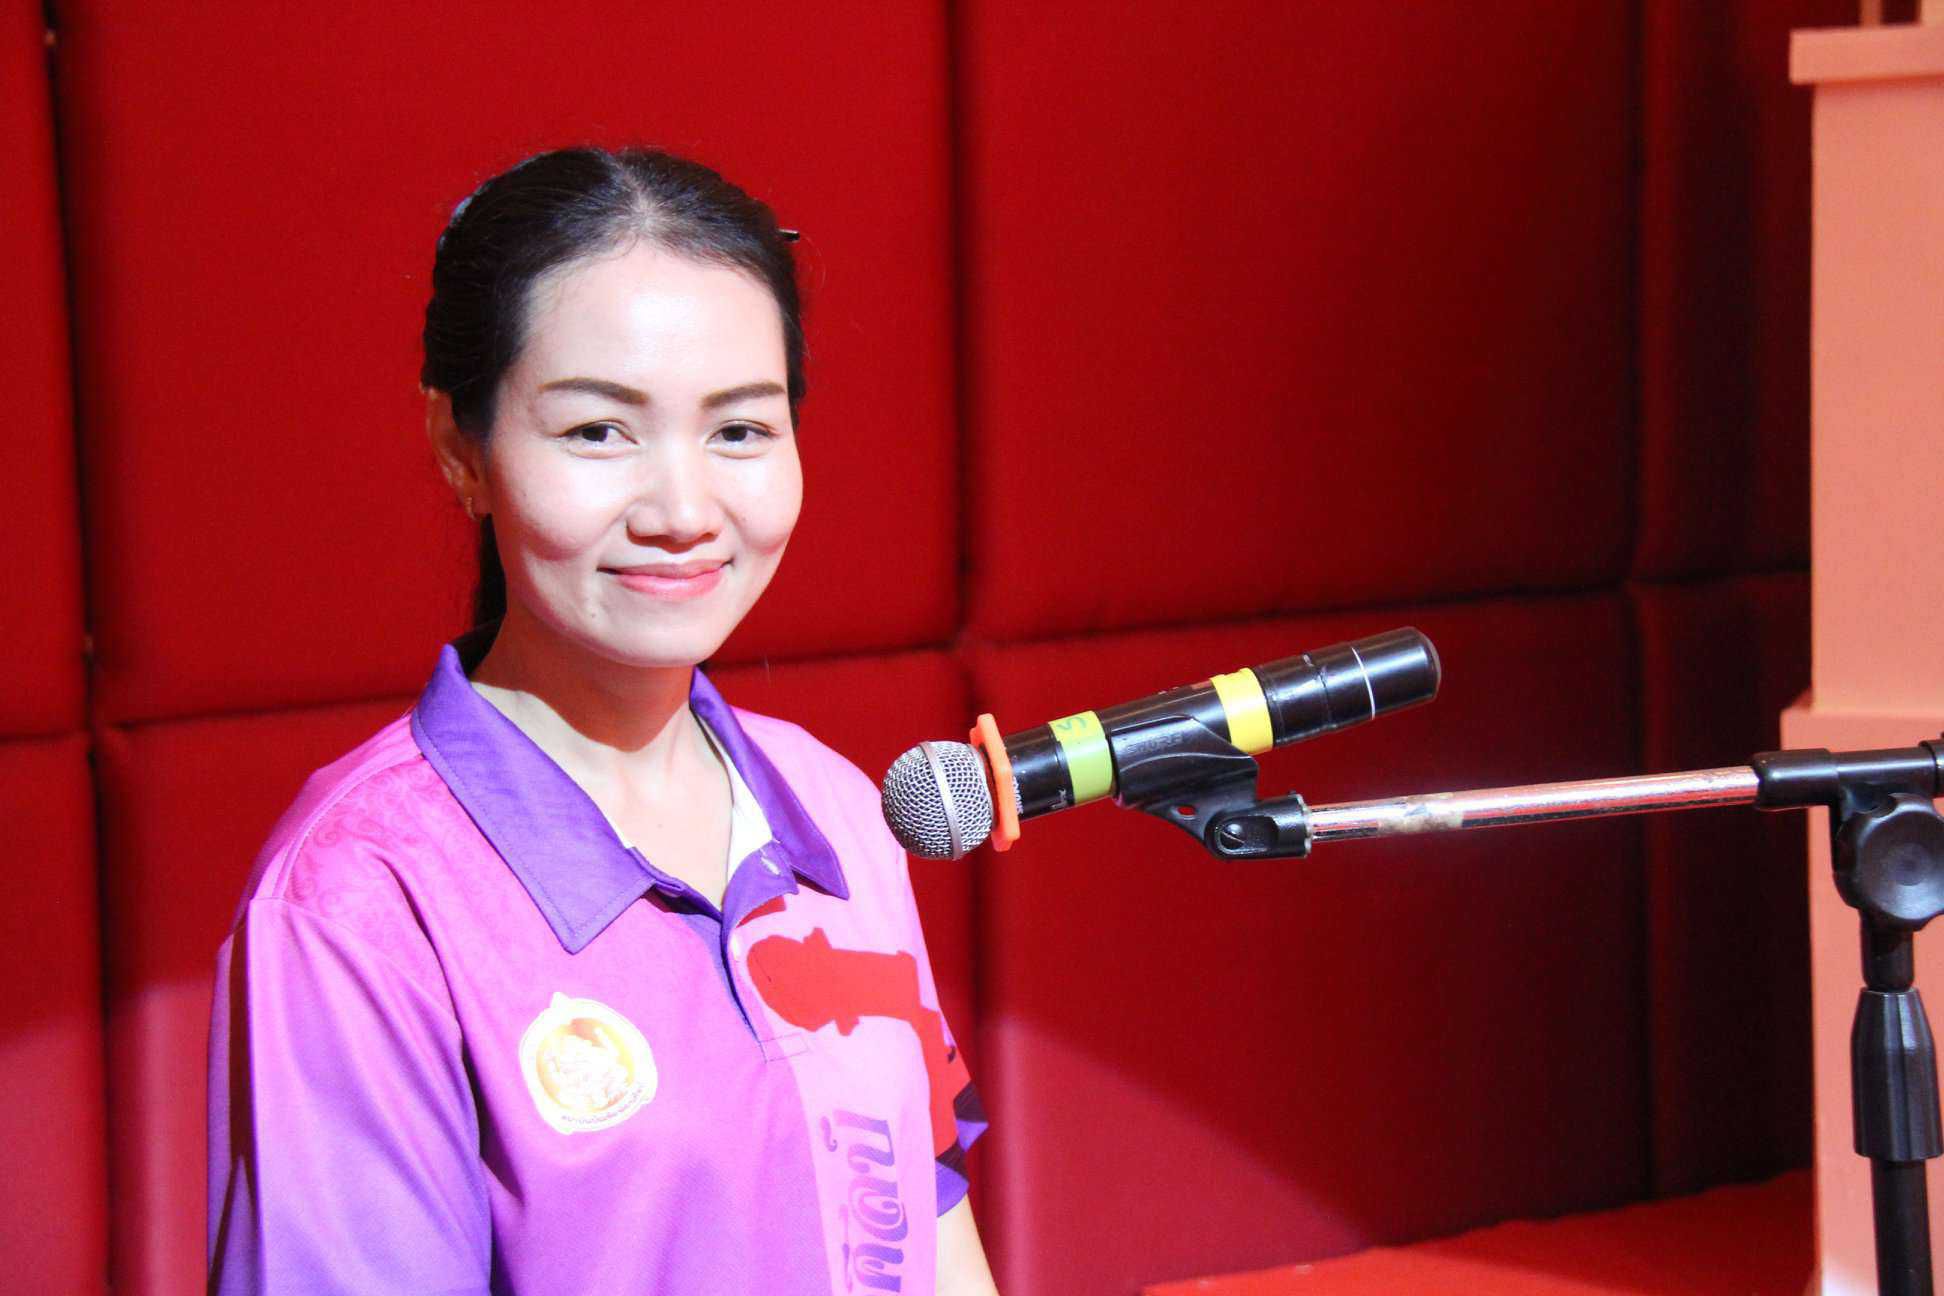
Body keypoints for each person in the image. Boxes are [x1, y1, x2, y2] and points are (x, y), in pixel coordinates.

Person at [207, 146, 997, 1295]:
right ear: (460, 448)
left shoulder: (836, 809)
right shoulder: (361, 897)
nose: (683, 511)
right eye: (597, 432)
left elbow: (933, 1230)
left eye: (740, 430)